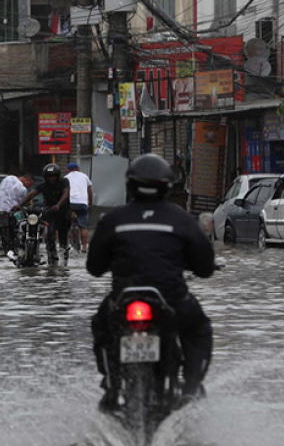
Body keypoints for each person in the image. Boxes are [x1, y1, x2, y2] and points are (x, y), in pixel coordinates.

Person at [86, 153, 215, 409]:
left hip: (123, 302)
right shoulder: (182, 219)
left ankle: (112, 385)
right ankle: (190, 388)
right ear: (167, 185)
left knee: (102, 326)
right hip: (172, 301)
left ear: (130, 185)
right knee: (198, 329)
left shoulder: (112, 220)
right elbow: (205, 268)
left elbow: (94, 267)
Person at [17, 163, 71, 265]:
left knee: (63, 237)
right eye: (49, 177)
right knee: (50, 233)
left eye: (53, 176)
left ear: (57, 176)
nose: (51, 179)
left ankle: (64, 258)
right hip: (50, 213)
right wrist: (19, 205)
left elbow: (65, 194)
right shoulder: (42, 186)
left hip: (63, 213)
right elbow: (31, 194)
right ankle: (52, 257)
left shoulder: (64, 182)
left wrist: (58, 205)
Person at [0, 174, 33, 258]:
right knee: (20, 226)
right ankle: (20, 249)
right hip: (12, 212)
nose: (28, 186)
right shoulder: (23, 189)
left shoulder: (9, 178)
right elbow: (21, 203)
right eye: (30, 184)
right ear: (26, 180)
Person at [65, 162, 94, 253]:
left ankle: (66, 245)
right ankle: (84, 247)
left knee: (66, 224)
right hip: (82, 203)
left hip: (69, 203)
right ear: (78, 169)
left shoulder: (66, 177)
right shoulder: (85, 176)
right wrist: (90, 202)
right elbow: (90, 191)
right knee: (83, 227)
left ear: (68, 170)